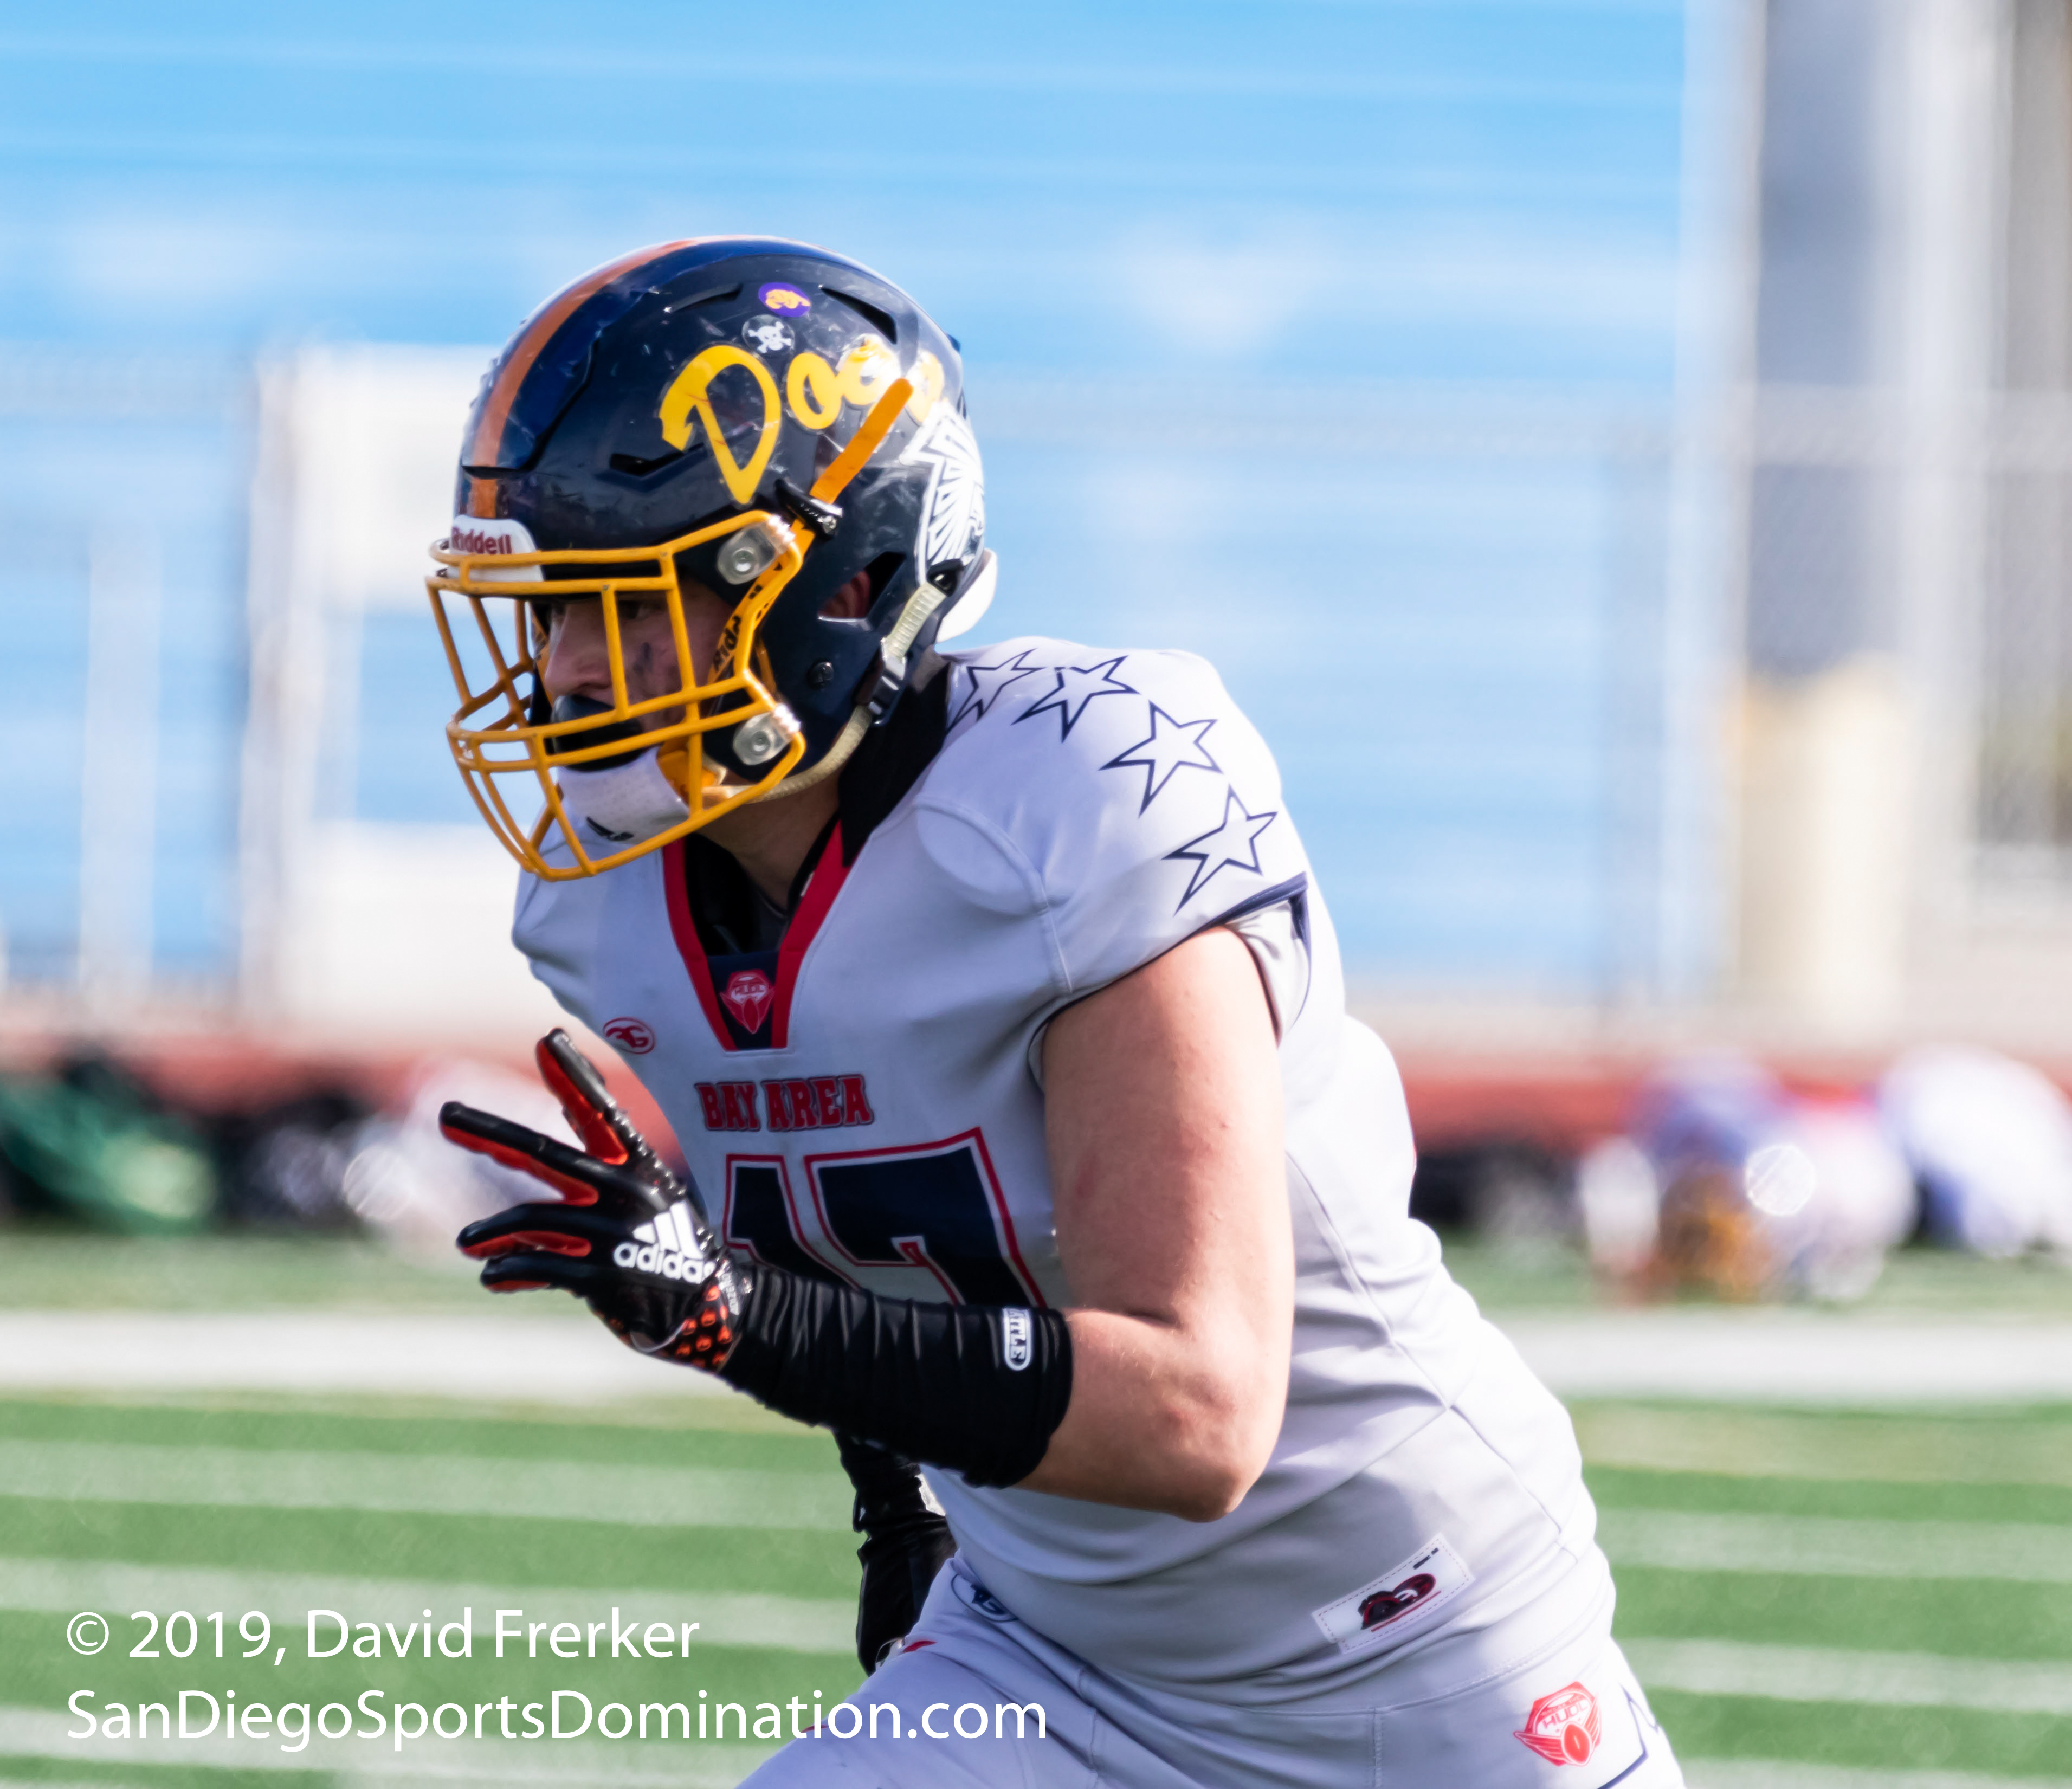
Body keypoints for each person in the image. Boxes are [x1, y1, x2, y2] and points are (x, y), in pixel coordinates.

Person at [429, 237, 1682, 1788]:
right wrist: (902, 1506)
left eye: (631, 603)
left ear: (842, 583)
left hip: (1415, 1655)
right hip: (1047, 1655)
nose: (564, 673)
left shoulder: (1081, 798)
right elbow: (859, 1218)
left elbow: (1197, 1415)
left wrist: (738, 1320)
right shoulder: (606, 905)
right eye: (552, 608)